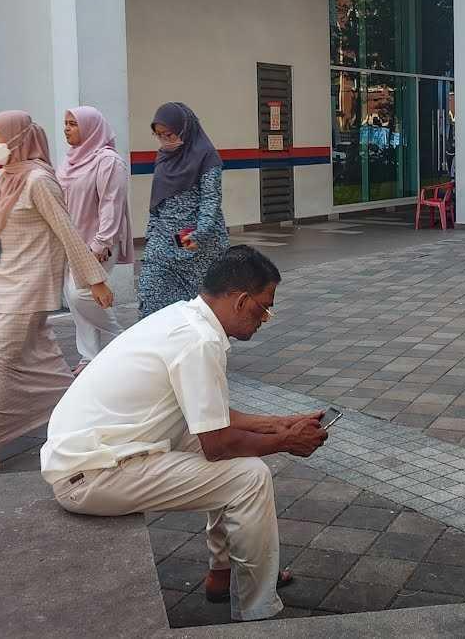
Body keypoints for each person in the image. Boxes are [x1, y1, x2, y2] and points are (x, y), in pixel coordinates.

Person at [41, 246, 327, 622]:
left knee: (238, 463)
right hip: (92, 475)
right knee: (249, 477)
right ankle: (259, 612)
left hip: (95, 455)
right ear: (241, 301)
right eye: (264, 307)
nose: (266, 318)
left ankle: (221, 575)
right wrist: (287, 441)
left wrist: (277, 423)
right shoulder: (200, 341)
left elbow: (210, 416)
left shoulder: (183, 318)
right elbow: (219, 445)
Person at [0, 111, 113, 482]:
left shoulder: (39, 181)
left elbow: (68, 233)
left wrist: (94, 280)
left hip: (31, 289)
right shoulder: (0, 179)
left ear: (18, 139)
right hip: (5, 287)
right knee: (43, 364)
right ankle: (93, 416)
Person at [59, 106, 134, 369]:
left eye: (73, 124)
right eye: (65, 123)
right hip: (73, 239)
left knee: (82, 295)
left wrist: (103, 242)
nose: (66, 128)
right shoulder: (70, 160)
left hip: (100, 240)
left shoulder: (108, 161)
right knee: (73, 297)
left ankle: (124, 340)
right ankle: (89, 356)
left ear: (91, 127)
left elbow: (111, 203)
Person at [139, 103, 228, 316]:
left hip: (196, 246)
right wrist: (151, 233)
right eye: (159, 135)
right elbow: (157, 200)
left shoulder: (207, 156)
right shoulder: (163, 157)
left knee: (196, 313)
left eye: (169, 134)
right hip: (162, 242)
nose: (165, 140)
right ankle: (158, 348)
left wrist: (200, 233)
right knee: (151, 301)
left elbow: (210, 200)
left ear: (184, 129)